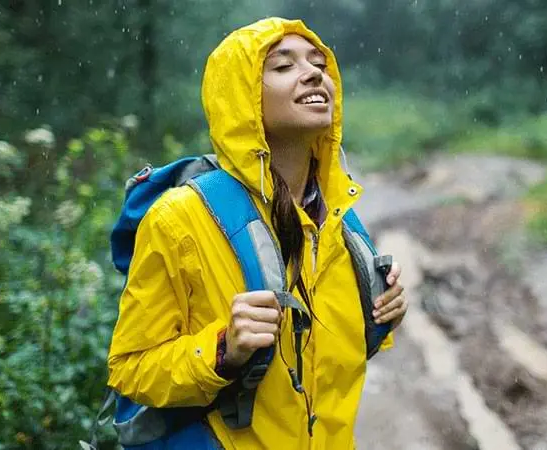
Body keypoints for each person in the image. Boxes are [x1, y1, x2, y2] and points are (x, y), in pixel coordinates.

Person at [106, 17, 408, 449]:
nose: (313, 73)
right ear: (240, 99)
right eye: (283, 67)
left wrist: (380, 316)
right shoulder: (180, 218)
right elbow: (130, 369)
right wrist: (224, 349)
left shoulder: (339, 223)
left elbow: (325, 369)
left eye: (319, 64)